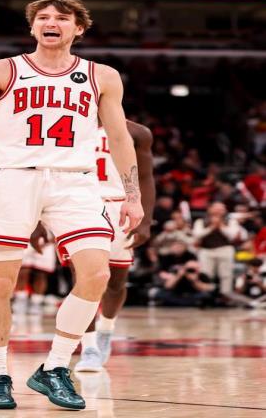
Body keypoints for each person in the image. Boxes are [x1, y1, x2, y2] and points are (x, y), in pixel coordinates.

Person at [0, 0, 143, 410]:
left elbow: (119, 138)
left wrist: (132, 195)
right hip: (12, 178)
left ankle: (54, 367)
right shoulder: (1, 70)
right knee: (0, 282)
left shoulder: (102, 76)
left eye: (61, 18)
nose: (51, 22)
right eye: (43, 18)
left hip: (76, 180)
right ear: (33, 27)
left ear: (79, 28)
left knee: (97, 273)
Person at [74, 120, 155, 371]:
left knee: (116, 281)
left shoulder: (137, 132)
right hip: (79, 205)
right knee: (83, 278)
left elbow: (145, 177)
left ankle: (106, 330)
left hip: (120, 205)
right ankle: (88, 347)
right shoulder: (71, 123)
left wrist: (146, 222)